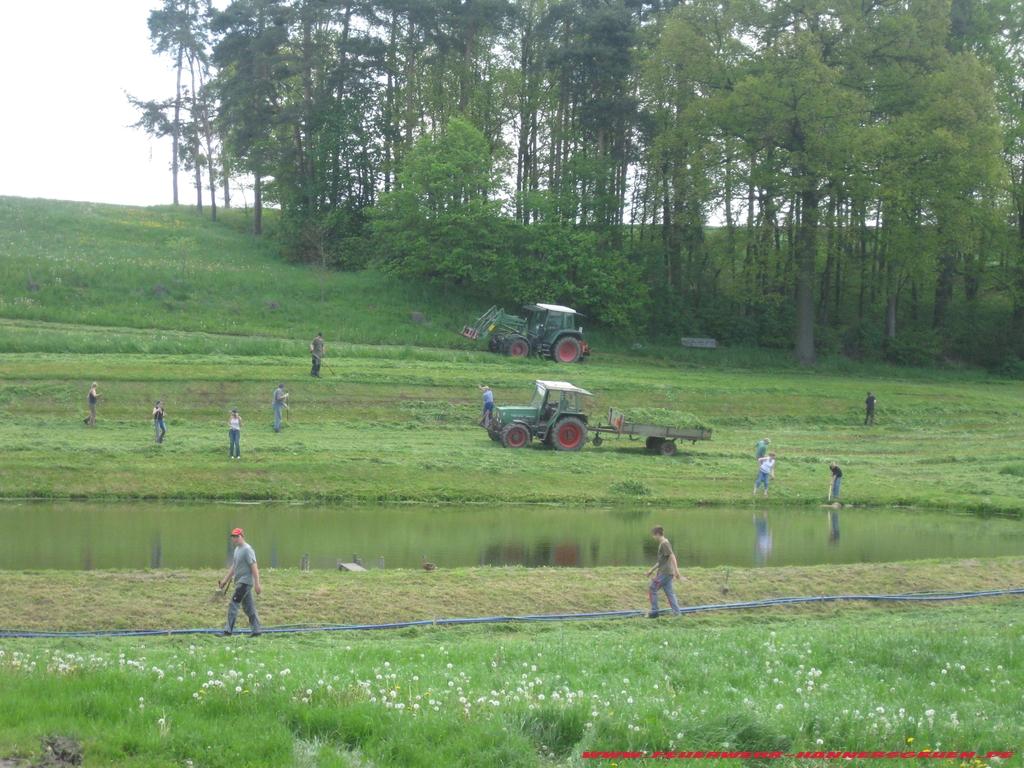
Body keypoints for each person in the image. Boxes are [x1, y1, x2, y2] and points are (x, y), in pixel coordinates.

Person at [218, 527, 262, 636]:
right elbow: (234, 567)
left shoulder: (247, 550)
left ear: (242, 536)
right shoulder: (237, 550)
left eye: (237, 536)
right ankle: (257, 631)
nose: (235, 539)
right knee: (249, 607)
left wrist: (257, 584)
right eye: (233, 537)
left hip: (245, 583)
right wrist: (224, 580)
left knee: (233, 604)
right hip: (239, 582)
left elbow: (254, 567)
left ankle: (228, 631)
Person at [646, 526, 682, 617]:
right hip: (666, 573)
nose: (653, 537)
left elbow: (672, 556)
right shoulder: (663, 543)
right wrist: (651, 570)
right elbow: (661, 561)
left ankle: (654, 612)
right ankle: (677, 613)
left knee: (652, 587)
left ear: (657, 534)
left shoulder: (664, 543)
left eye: (653, 535)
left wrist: (676, 571)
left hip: (665, 573)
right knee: (670, 593)